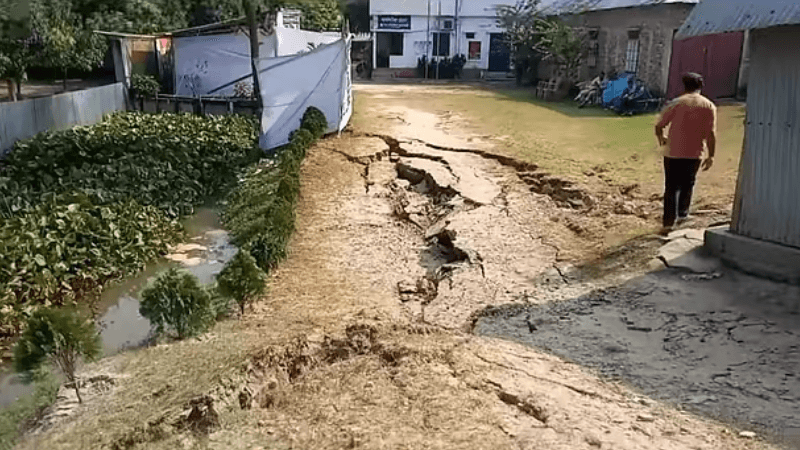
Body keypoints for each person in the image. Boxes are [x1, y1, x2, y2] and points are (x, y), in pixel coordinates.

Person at [654, 72, 717, 233]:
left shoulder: (676, 103)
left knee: (671, 187)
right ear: (701, 86)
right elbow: (710, 134)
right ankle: (683, 215)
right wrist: (711, 155)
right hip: (694, 153)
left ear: (684, 86)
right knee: (688, 184)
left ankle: (668, 222)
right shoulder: (708, 105)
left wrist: (662, 138)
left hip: (673, 152)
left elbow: (659, 125)